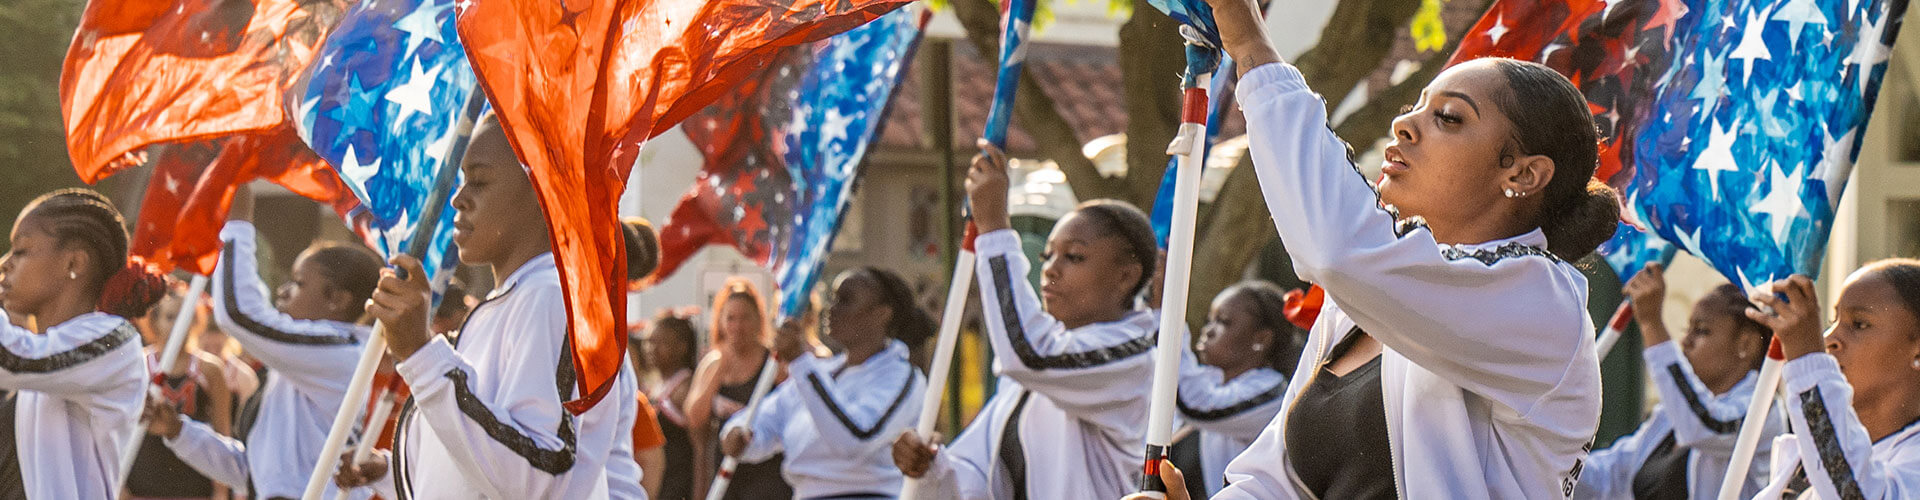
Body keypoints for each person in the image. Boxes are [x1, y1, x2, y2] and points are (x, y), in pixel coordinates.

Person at [1184, 0, 1625, 496]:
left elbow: (1335, 250)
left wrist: (1251, 50)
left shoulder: (1544, 304)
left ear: (1523, 173)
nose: (1404, 125)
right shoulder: (1365, 299)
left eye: (1450, 119)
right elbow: (1274, 481)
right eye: (1413, 106)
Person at [335, 111, 644, 499]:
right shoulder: (507, 303)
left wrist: (420, 354)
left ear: (540, 190)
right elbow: (477, 464)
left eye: (479, 181)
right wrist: (389, 469)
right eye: (463, 179)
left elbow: (535, 478)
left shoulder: (550, 298)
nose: (458, 198)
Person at [892, 142, 1163, 499]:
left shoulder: (1132, 356)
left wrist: (993, 228)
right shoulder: (1033, 375)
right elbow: (978, 476)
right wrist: (930, 466)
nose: (1050, 269)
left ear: (1126, 276)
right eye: (1047, 255)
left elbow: (1028, 352)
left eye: (1074, 257)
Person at [150, 186, 382, 500]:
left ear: (337, 301)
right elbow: (253, 473)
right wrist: (179, 431)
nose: (284, 291)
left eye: (299, 283)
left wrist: (238, 222)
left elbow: (240, 313)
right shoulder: (298, 368)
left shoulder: (341, 353)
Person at [0, 188, 167, 498]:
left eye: (21, 251)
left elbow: (11, 359)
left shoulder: (114, 340)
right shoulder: (44, 355)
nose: (5, 264)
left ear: (74, 263)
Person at [722, 267, 932, 499]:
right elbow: (765, 418)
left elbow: (856, 439)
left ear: (882, 314)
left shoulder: (900, 378)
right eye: (833, 298)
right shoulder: (824, 371)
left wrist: (800, 362)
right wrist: (739, 434)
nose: (832, 308)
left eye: (846, 300)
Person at [1576, 264, 1782, 499]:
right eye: (1687, 329)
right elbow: (1609, 475)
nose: (1686, 341)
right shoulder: (1669, 417)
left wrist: (1652, 324)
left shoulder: (1762, 411)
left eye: (1701, 331)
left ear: (1746, 344)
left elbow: (1705, 425)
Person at [1748, 260, 1920, 499]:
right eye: (1833, 322)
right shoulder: (1804, 461)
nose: (1829, 339)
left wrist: (1809, 361)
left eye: (1859, 324)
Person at [1175, 282, 1298, 497]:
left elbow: (1196, 403)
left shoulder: (1273, 391)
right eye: (1209, 321)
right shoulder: (1219, 386)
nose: (1208, 331)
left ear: (1261, 338)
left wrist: (1166, 323)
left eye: (1223, 322)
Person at [686, 278, 794, 500]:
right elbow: (694, 418)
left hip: (768, 470)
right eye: (731, 318)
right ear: (721, 322)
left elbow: (792, 409)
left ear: (758, 320)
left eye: (745, 318)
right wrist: (720, 369)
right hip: (727, 467)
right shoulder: (714, 362)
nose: (738, 326)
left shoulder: (773, 363)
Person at [129, 288, 234, 500]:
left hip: (195, 486)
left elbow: (222, 431)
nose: (178, 324)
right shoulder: (137, 366)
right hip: (142, 486)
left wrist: (221, 491)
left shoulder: (209, 370)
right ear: (155, 321)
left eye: (185, 315)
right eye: (170, 316)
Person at [644, 311, 699, 500]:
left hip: (678, 490)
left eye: (662, 343)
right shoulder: (655, 387)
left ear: (682, 347)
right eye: (650, 342)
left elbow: (701, 449)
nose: (652, 348)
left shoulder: (685, 388)